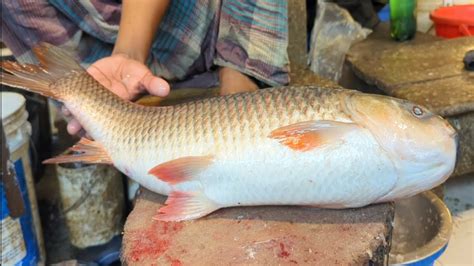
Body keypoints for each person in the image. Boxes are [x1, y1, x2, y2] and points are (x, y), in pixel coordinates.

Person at [1, 0, 290, 135]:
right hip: (125, 68)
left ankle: (238, 70)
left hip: (219, 18)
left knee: (247, 129)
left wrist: (129, 50)